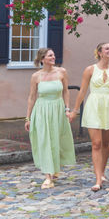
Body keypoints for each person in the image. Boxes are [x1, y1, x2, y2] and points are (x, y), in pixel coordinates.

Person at [69, 42, 109, 192]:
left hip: (108, 107)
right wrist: (75, 110)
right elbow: (82, 91)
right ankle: (98, 179)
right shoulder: (90, 70)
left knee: (105, 143)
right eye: (107, 48)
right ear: (99, 52)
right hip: (93, 106)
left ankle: (102, 172)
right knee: (96, 143)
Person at [25, 48, 76, 189]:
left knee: (56, 140)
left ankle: (54, 169)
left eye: (53, 55)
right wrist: (27, 118)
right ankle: (48, 176)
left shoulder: (62, 72)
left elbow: (66, 91)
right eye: (50, 55)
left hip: (58, 109)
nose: (53, 57)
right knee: (44, 140)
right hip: (41, 110)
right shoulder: (36, 76)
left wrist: (67, 109)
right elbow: (31, 97)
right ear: (42, 59)